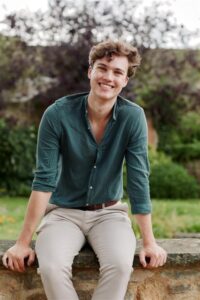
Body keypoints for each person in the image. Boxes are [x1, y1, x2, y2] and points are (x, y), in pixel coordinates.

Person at [2, 39, 167, 300]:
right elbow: (44, 180)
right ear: (90, 71)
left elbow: (138, 180)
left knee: (121, 265)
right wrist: (22, 242)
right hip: (63, 214)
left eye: (117, 72)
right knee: (52, 267)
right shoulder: (57, 114)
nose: (108, 77)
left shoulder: (133, 117)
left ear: (125, 81)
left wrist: (149, 241)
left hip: (109, 213)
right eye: (102, 68)